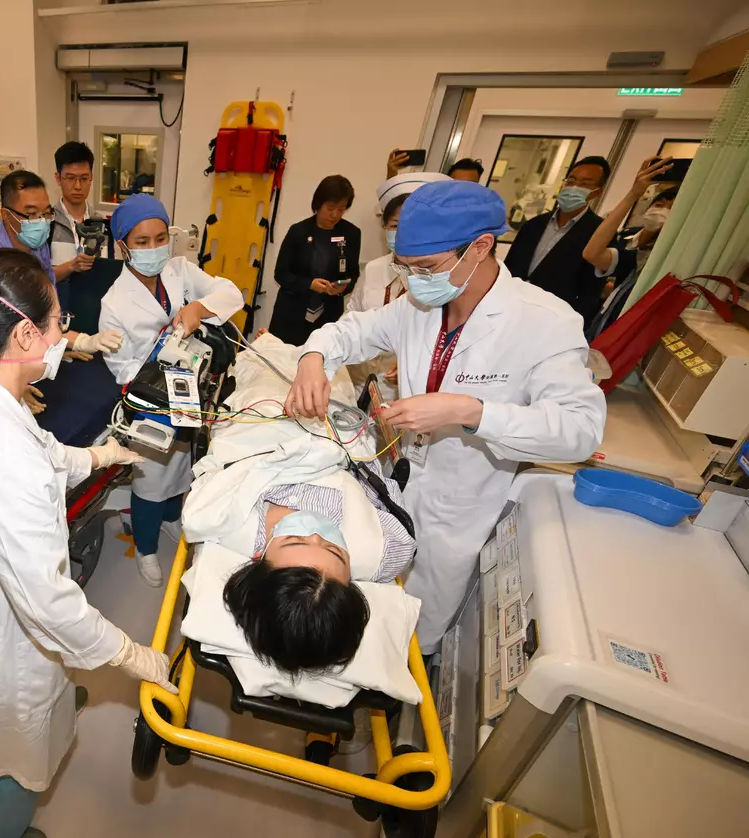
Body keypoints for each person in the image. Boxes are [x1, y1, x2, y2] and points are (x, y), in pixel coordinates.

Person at [0, 249, 175, 838]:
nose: (64, 335)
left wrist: (99, 456)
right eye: (60, 322)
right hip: (5, 654)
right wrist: (129, 655)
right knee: (16, 770)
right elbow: (49, 603)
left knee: (24, 747)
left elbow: (44, 451)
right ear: (26, 335)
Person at [284, 180, 606, 652]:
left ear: (480, 247)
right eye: (406, 266)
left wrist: (469, 411)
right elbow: (350, 332)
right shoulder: (420, 305)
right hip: (400, 487)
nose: (414, 279)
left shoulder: (545, 322)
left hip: (459, 509)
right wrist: (313, 360)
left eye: (427, 268)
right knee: (367, 615)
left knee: (416, 636)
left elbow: (579, 430)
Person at [182, 333, 415, 674]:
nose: (317, 534)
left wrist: (285, 461)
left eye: (294, 540)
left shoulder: (226, 521)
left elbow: (210, 486)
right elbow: (386, 493)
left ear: (259, 560)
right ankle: (302, 342)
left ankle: (269, 342)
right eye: (336, 550)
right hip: (334, 416)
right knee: (332, 365)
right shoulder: (383, 551)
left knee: (264, 362)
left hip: (265, 414)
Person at [99, 194, 243, 587]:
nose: (153, 248)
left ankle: (170, 519)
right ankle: (145, 548)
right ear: (123, 245)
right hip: (151, 400)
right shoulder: (114, 303)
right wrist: (161, 361)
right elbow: (121, 367)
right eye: (142, 242)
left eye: (160, 238)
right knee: (151, 478)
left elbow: (232, 294)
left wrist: (198, 308)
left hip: (190, 387)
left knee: (182, 466)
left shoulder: (179, 270)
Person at [0, 170, 124, 414]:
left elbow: (46, 310)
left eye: (46, 213)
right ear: (6, 215)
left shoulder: (37, 248)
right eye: (31, 214)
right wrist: (10, 384)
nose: (41, 221)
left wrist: (58, 346)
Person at [345, 171, 451, 400]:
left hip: (406, 393)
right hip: (360, 383)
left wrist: (414, 365)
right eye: (394, 224)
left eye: (412, 225)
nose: (403, 232)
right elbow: (351, 318)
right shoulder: (373, 269)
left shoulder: (443, 278)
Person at [503, 155, 620, 324]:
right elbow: (510, 267)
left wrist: (574, 323)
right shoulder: (534, 224)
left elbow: (591, 290)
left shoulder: (599, 232)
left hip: (554, 317)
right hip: (511, 307)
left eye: (585, 183)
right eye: (571, 180)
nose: (574, 187)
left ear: (598, 191)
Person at [581, 158, 677, 339]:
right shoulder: (635, 252)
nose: (661, 211)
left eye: (671, 208)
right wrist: (633, 194)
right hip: (602, 330)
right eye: (659, 204)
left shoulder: (671, 259)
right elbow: (591, 253)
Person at [268, 175, 361, 346]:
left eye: (341, 209)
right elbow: (281, 274)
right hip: (291, 315)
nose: (335, 215)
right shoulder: (298, 231)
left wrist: (342, 288)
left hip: (328, 317)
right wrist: (309, 284)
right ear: (318, 204)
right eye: (330, 208)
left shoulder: (351, 234)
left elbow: (353, 275)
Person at [49, 141, 103, 286]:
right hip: (57, 299)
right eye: (70, 178)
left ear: (91, 177)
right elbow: (36, 278)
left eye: (84, 178)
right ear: (58, 178)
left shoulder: (101, 224)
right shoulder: (47, 223)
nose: (78, 186)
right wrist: (70, 267)